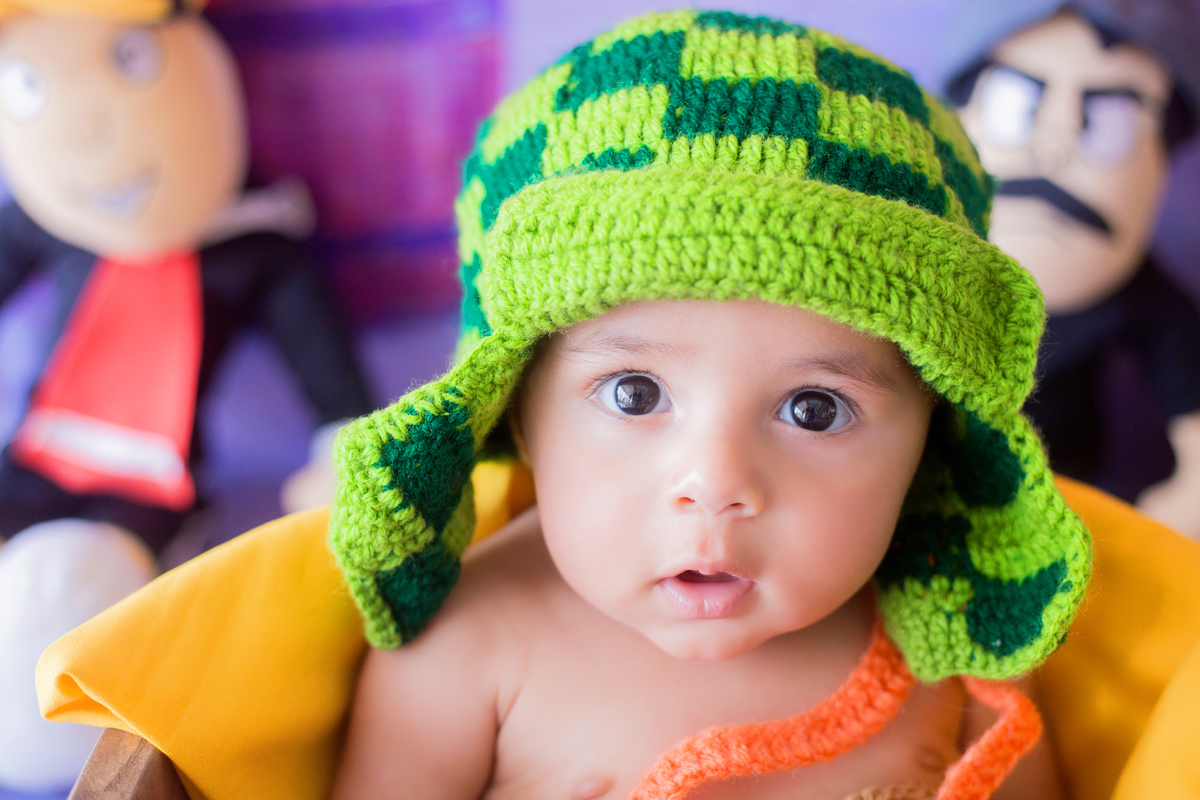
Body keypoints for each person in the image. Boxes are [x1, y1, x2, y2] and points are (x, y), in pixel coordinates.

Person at [327, 11, 1091, 799]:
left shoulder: (968, 628)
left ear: (932, 439)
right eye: (635, 394)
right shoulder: (465, 649)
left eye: (816, 409)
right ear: (518, 410)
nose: (716, 481)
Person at [0, 1, 372, 790]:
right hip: (33, 452)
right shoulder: (51, 220)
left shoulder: (256, 241)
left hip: (150, 478)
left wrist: (344, 457)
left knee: (81, 589)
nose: (87, 135)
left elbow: (330, 373)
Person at [939, 1, 1200, 538]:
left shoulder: (1139, 296)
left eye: (1109, 124)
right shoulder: (919, 255)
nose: (1054, 150)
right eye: (1018, 108)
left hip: (1064, 508)